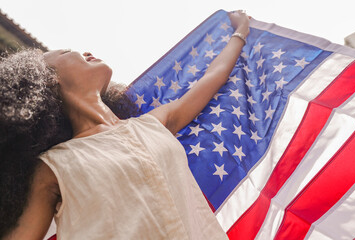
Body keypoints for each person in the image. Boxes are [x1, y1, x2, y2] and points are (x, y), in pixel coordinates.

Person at [0, 10, 250, 239]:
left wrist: (240, 33)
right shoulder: (53, 167)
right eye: (67, 52)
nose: (85, 51)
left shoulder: (151, 125)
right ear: (50, 78)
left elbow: (212, 77)